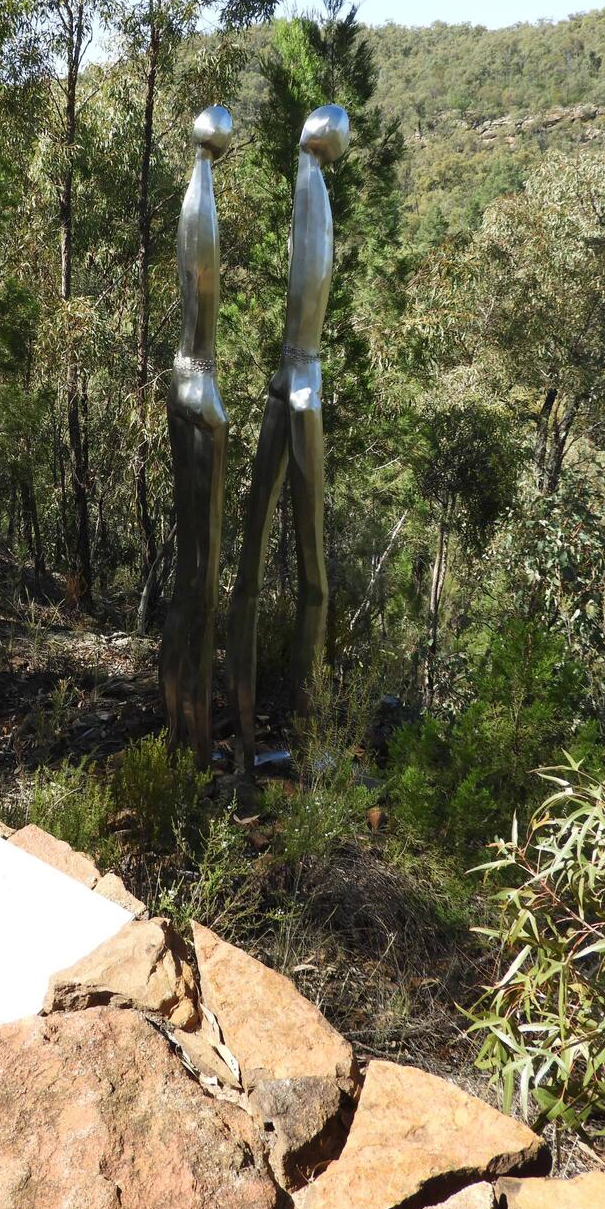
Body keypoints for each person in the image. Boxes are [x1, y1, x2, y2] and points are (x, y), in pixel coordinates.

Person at [227, 105, 351, 770]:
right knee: (313, 578)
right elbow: (312, 279)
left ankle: (252, 742)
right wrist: (304, 381)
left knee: (253, 563)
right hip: (301, 380)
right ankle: (299, 745)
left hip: (291, 375)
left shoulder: (312, 188)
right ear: (329, 140)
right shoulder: (314, 189)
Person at [159, 106, 232, 769]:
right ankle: (194, 741)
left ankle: (179, 732)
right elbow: (200, 284)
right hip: (197, 384)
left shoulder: (195, 192)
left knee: (192, 576)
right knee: (200, 584)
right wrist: (207, 403)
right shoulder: (200, 195)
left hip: (185, 378)